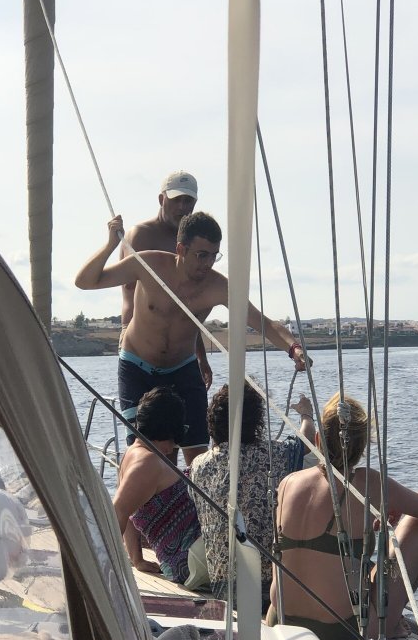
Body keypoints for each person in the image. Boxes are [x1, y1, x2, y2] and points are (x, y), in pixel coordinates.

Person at [75, 210, 308, 468]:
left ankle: (194, 495)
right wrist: (111, 244)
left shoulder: (218, 287)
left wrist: (294, 348)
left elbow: (263, 322)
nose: (208, 263)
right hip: (137, 368)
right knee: (147, 457)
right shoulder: (148, 264)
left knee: (198, 454)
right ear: (181, 249)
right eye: (201, 255)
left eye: (214, 256)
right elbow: (85, 281)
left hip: (182, 370)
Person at [269, 393, 418, 640]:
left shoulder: (288, 482)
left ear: (318, 440)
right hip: (343, 631)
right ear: (363, 447)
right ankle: (391, 623)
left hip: (283, 621)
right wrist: (390, 504)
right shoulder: (368, 483)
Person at [189, 383, 314, 602]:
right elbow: (306, 441)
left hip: (223, 586)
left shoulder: (198, 465)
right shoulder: (275, 454)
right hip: (269, 588)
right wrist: (306, 415)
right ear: (256, 421)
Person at [119, 171, 212, 390]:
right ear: (162, 199)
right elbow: (132, 294)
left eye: (188, 200)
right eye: (176, 199)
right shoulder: (140, 235)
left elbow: (186, 309)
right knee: (148, 411)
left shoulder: (191, 245)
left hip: (181, 356)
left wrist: (201, 356)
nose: (182, 206)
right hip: (138, 350)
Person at [111, 387, 201, 583]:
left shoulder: (131, 454)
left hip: (184, 557)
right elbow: (118, 512)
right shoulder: (147, 463)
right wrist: (108, 567)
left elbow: (127, 513)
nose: (174, 446)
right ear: (167, 429)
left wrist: (137, 559)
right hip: (190, 561)